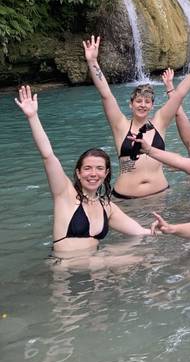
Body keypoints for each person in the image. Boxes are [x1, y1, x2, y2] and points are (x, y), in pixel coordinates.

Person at [15, 85, 157, 258]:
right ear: (78, 173)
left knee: (147, 255)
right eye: (87, 168)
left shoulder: (107, 207)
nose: (93, 174)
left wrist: (167, 229)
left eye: (99, 169)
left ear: (106, 174)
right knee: (138, 258)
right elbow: (48, 155)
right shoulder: (65, 194)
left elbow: (140, 232)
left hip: (93, 267)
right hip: (66, 267)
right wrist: (32, 117)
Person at [83, 35, 190, 199]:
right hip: (127, 199)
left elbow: (179, 94)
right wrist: (92, 61)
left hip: (159, 196)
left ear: (152, 105)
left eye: (147, 101)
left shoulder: (160, 122)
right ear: (131, 104)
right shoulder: (120, 125)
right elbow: (106, 94)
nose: (142, 105)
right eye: (138, 101)